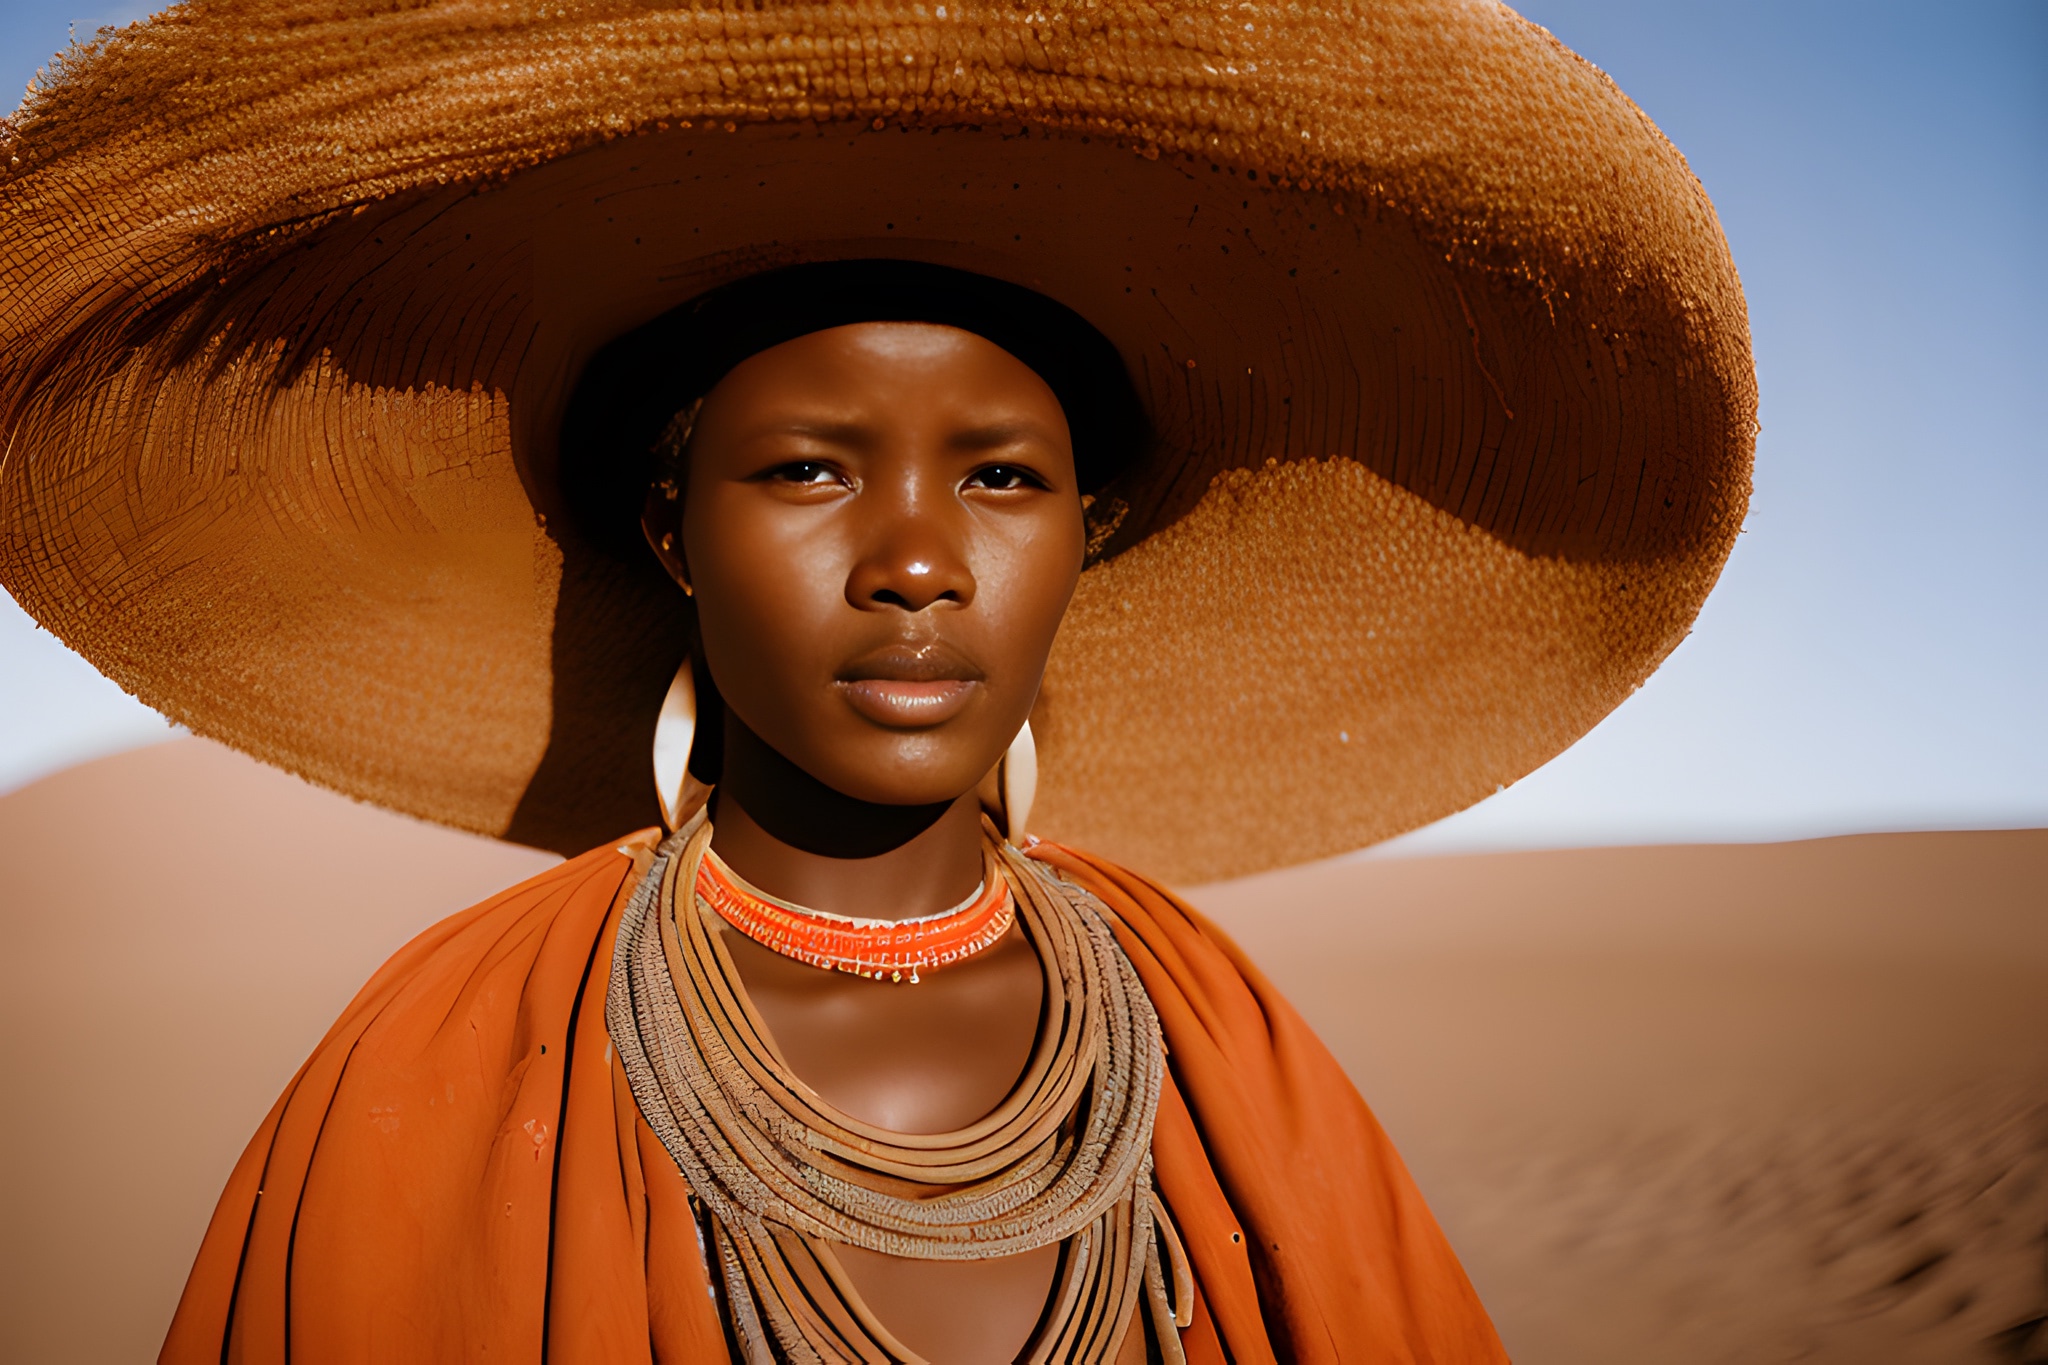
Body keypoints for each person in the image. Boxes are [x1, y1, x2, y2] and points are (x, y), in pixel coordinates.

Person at [0, 1, 1755, 1360]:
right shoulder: (454, 1062)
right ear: (671, 532)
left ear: (1091, 534)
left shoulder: (1213, 1039)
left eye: (1000, 477)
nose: (916, 558)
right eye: (810, 470)